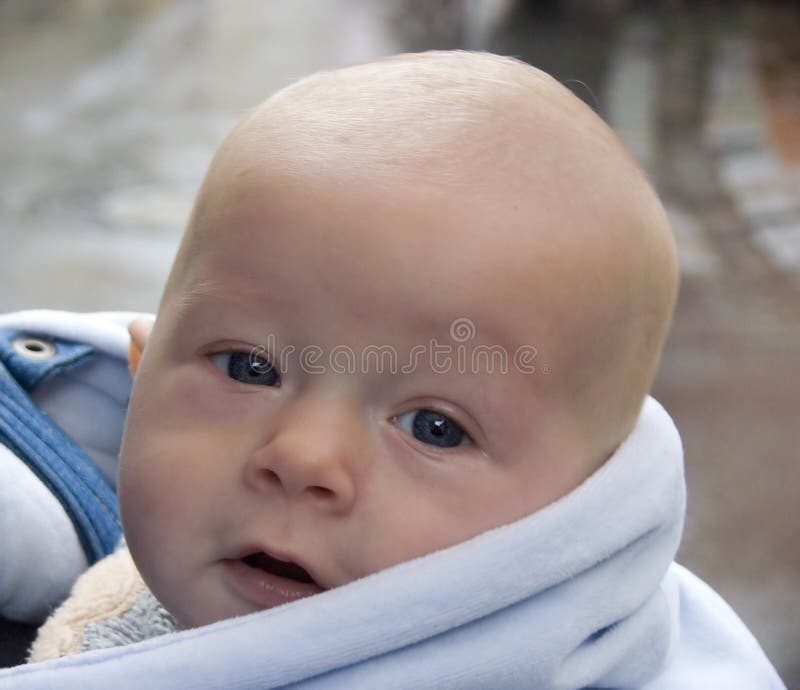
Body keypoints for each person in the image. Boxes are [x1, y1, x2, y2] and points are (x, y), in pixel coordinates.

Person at [2, 51, 785, 688]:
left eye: (435, 428)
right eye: (248, 367)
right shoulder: (84, 532)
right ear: (142, 373)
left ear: (577, 513)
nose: (302, 457)